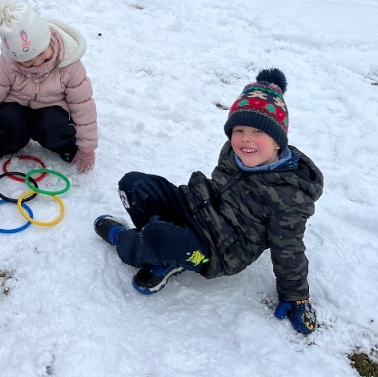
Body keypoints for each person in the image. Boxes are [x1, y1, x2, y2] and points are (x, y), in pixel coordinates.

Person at [94, 68, 323, 335]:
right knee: (135, 185)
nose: (246, 138)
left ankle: (132, 243)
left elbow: (289, 249)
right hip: (196, 207)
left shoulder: (289, 197)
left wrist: (296, 295)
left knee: (159, 236)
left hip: (219, 250)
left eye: (258, 132)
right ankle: (167, 250)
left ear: (278, 142)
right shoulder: (232, 152)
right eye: (239, 130)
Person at [0, 0, 98, 173]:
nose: (37, 63)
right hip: (17, 105)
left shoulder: (70, 65)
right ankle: (6, 143)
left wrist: (87, 148)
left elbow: (83, 106)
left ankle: (65, 145)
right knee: (9, 119)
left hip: (52, 108)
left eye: (41, 55)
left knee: (53, 123)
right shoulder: (8, 64)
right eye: (27, 61)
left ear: (49, 41)